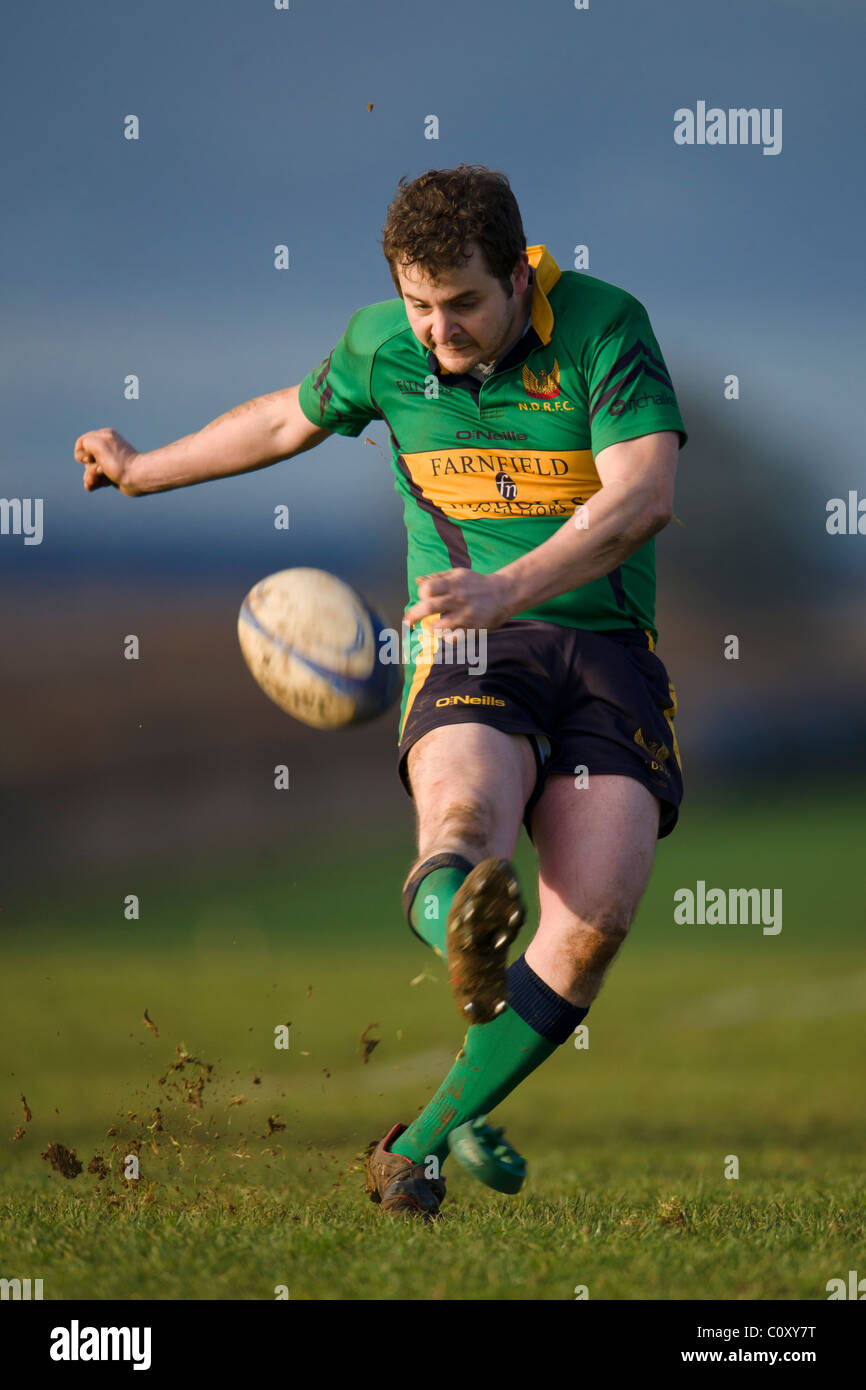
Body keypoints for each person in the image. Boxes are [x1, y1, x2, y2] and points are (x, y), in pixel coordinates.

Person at [75, 163, 687, 1222]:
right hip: (459, 643)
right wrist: (141, 468)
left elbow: (639, 500)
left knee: (590, 924)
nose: (437, 328)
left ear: (518, 274)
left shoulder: (602, 329)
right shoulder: (382, 348)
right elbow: (282, 421)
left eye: (462, 303)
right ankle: (462, 926)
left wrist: (511, 584)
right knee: (461, 820)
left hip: (599, 653)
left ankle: (417, 1142)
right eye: (418, 303)